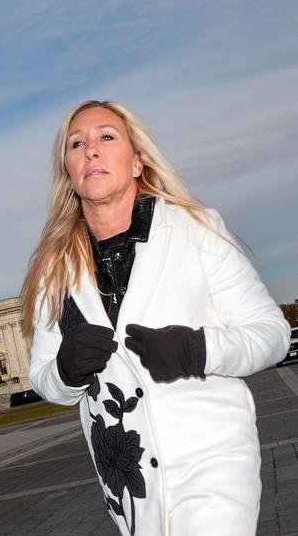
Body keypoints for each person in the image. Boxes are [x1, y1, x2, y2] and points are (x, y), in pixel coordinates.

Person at [23, 100, 289, 536]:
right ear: (68, 172)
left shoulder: (196, 228)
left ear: (137, 162)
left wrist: (197, 349)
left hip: (212, 459)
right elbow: (44, 377)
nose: (91, 150)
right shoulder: (55, 269)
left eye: (107, 137)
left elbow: (272, 335)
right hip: (128, 482)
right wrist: (67, 370)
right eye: (77, 144)